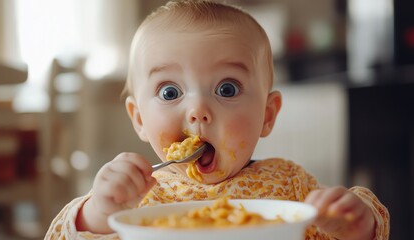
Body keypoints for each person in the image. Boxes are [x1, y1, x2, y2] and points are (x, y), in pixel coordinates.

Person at [45, 1, 389, 239]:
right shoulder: (136, 196)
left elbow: (346, 231)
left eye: (226, 89)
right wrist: (97, 215)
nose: (198, 110)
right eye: (169, 92)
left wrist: (356, 225)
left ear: (267, 116)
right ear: (138, 119)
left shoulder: (290, 186)